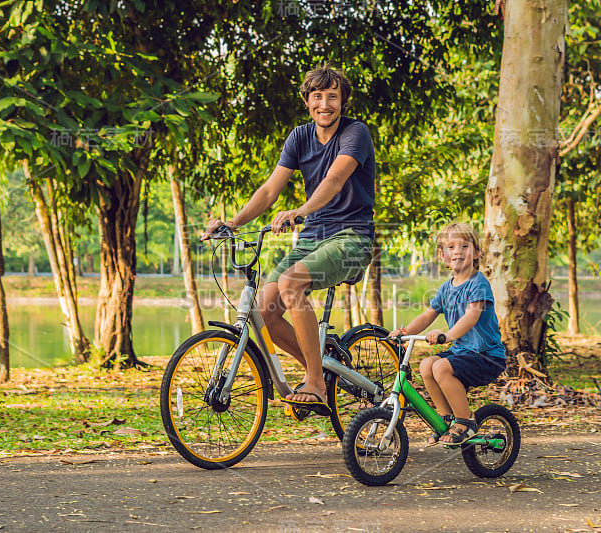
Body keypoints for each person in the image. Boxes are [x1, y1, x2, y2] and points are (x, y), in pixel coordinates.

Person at [201, 65, 375, 416]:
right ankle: (323, 369)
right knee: (264, 310)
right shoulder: (299, 137)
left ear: (342, 101)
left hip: (353, 238)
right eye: (317, 97)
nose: (324, 104)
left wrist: (301, 209)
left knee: (290, 282)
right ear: (307, 101)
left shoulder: (355, 133)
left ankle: (314, 382)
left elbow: (335, 180)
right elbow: (268, 190)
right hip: (313, 238)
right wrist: (233, 223)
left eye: (332, 97)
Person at [390, 222, 506, 446]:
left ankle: (465, 422)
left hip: (487, 356)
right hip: (463, 352)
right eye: (451, 247)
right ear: (443, 255)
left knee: (441, 367)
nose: (458, 252)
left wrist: (447, 335)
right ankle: (446, 420)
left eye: (465, 246)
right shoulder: (445, 288)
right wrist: (404, 333)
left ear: (476, 253)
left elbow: (471, 316)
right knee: (426, 365)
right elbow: (427, 315)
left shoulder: (478, 283)